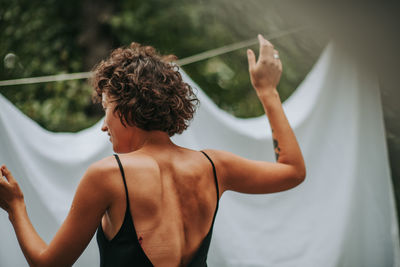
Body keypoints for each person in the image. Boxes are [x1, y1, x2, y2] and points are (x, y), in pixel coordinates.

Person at [0, 34, 305, 267]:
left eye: (106, 108)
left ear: (126, 108)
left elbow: (48, 264)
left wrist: (16, 207)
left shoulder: (108, 175)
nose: (103, 127)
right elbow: (293, 171)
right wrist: (267, 91)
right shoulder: (214, 166)